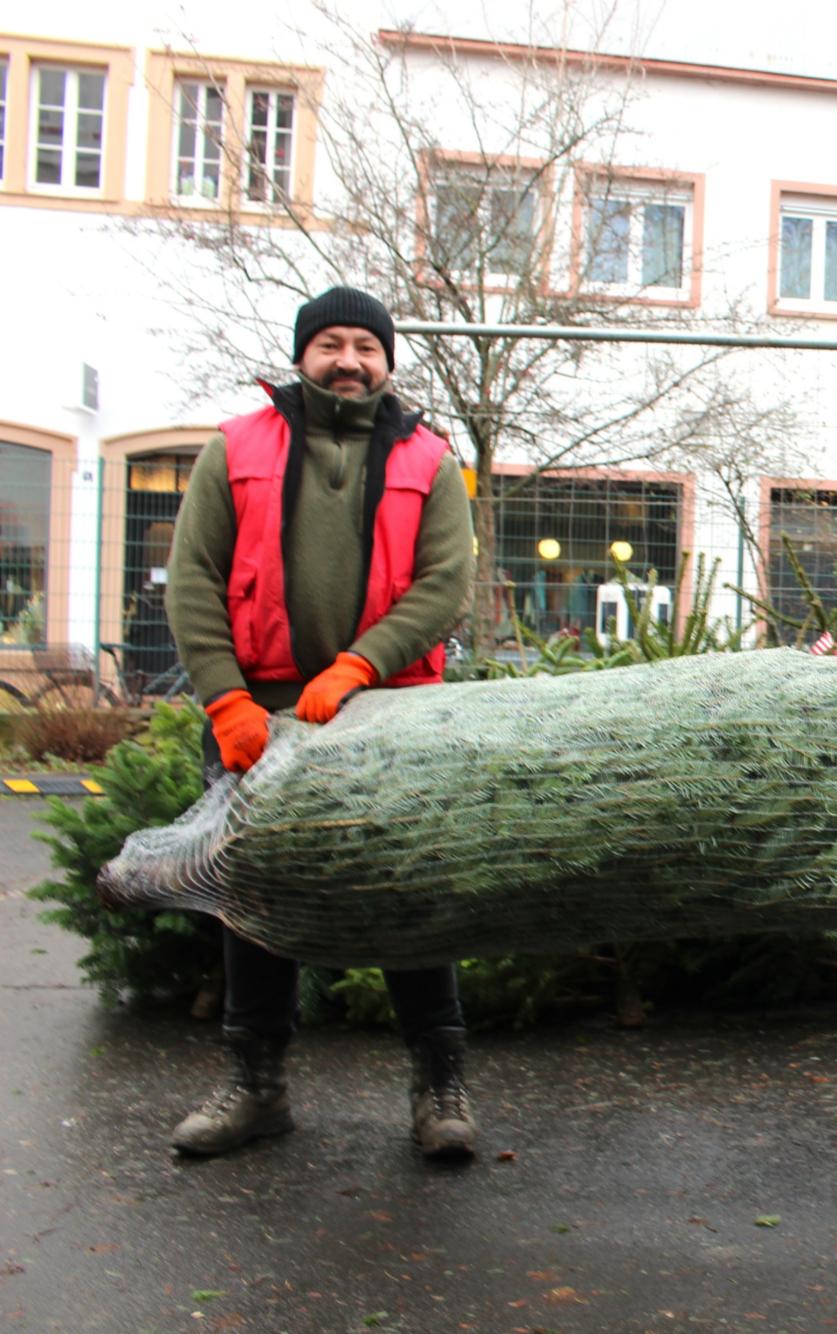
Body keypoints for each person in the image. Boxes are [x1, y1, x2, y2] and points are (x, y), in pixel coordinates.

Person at [165, 285, 478, 1160]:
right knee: (254, 896)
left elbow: (444, 583)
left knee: (412, 893)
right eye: (331, 343)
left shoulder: (431, 458)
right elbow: (194, 577)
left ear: (387, 360)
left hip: (390, 709)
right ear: (302, 355)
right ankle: (254, 1086)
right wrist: (225, 697)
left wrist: (357, 664)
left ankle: (439, 1086)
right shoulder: (233, 449)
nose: (349, 360)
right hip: (259, 710)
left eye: (366, 347)